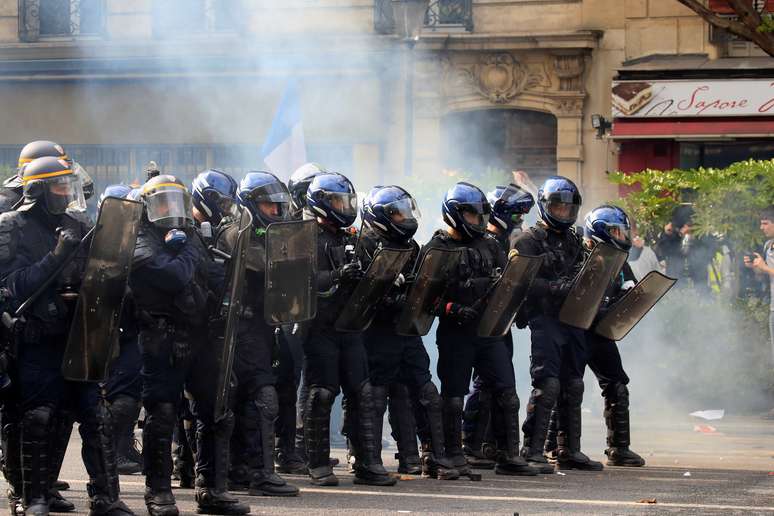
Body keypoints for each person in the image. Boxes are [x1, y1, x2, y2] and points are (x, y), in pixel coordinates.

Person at [0, 157, 132, 515]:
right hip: (37, 341)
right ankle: (35, 498)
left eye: (67, 186)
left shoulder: (80, 222)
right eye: (59, 186)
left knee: (96, 416)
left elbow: (103, 275)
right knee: (40, 418)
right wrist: (56, 255)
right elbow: (12, 287)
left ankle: (106, 498)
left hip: (80, 336)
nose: (66, 193)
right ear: (38, 190)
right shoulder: (11, 226)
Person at [130, 174, 248, 516]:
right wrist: (193, 249)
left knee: (217, 410)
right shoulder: (139, 239)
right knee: (162, 414)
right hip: (161, 339)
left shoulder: (191, 236)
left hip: (200, 336)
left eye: (175, 202)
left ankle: (211, 489)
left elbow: (212, 276)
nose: (171, 210)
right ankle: (158, 493)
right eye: (163, 203)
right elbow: (173, 275)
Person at [426, 182, 536, 478]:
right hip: (456, 334)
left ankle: (509, 454)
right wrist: (453, 309)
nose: (478, 221)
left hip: (488, 331)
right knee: (454, 396)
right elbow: (421, 298)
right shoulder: (437, 248)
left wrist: (516, 307)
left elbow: (508, 282)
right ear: (456, 213)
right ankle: (453, 454)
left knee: (506, 392)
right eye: (472, 215)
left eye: (480, 215)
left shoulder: (489, 245)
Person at [356, 185, 458, 480]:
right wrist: (395, 296)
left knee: (425, 391)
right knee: (376, 396)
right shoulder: (366, 245)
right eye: (397, 214)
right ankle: (369, 460)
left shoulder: (411, 247)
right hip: (377, 333)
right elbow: (363, 294)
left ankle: (432, 456)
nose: (405, 218)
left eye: (405, 212)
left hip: (407, 330)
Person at [302, 172, 396, 487]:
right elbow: (302, 282)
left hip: (351, 325)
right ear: (322, 203)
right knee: (322, 393)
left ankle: (367, 462)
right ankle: (317, 464)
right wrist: (338, 275)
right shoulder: (306, 237)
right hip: (320, 327)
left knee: (362, 393)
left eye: (346, 201)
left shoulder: (351, 237)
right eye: (337, 202)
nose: (344, 207)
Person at [544, 205, 645, 467]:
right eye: (616, 231)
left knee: (617, 384)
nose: (623, 236)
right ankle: (557, 447)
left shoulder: (619, 261)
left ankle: (619, 448)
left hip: (600, 331)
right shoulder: (578, 255)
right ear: (600, 231)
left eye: (624, 231)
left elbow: (629, 291)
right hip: (576, 330)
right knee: (569, 386)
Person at [514, 176, 601, 472]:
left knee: (574, 384)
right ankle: (533, 449)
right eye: (558, 207)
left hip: (573, 318)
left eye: (568, 208)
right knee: (547, 383)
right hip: (545, 318)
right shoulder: (528, 240)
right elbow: (519, 282)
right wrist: (555, 287)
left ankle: (568, 448)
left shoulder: (575, 239)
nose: (563, 212)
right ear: (545, 206)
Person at [223, 171, 299, 497]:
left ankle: (241, 469)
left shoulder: (271, 236)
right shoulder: (235, 234)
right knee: (261, 397)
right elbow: (265, 266)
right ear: (251, 205)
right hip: (240, 329)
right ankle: (261, 473)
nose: (277, 212)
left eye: (279, 207)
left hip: (264, 328)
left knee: (249, 400)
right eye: (269, 207)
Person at [462, 184, 534, 470]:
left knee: (495, 387)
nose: (520, 221)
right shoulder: (488, 239)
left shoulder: (501, 240)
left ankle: (490, 447)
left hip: (498, 323)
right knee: (485, 386)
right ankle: (472, 444)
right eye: (516, 215)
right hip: (479, 324)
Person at [98, 185, 144, 476]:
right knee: (121, 391)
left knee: (133, 389)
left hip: (135, 327)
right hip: (111, 328)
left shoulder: (139, 238)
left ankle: (124, 446)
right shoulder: (101, 240)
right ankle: (112, 450)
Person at [744, 206, 774, 365]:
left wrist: (764, 268)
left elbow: (768, 269)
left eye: (765, 223)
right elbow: (764, 275)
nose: (761, 227)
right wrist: (755, 267)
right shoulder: (768, 245)